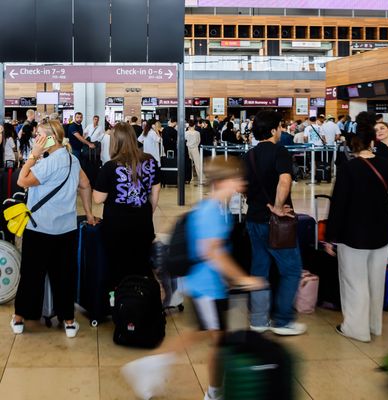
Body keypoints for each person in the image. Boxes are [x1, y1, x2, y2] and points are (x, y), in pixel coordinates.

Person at [121, 156, 266, 400]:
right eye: (236, 179)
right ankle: (212, 392)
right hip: (206, 289)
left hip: (209, 287)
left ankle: (154, 368)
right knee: (217, 341)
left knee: (203, 334)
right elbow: (213, 254)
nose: (241, 184)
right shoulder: (212, 212)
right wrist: (243, 279)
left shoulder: (216, 209)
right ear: (221, 182)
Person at [10, 120, 96, 338]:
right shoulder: (72, 159)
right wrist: (88, 212)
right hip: (66, 230)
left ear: (50, 137)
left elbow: (22, 180)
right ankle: (68, 321)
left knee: (31, 274)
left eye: (39, 135)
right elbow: (85, 185)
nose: (35, 138)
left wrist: (32, 156)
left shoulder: (47, 163)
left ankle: (20, 318)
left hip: (39, 228)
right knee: (64, 275)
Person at [325, 120, 388, 343]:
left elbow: (338, 205)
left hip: (354, 233)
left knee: (354, 281)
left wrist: (331, 237)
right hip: (382, 232)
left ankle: (356, 329)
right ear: (372, 141)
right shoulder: (387, 164)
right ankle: (374, 325)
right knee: (376, 280)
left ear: (353, 144)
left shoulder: (349, 168)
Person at [244, 110, 306, 336]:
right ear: (272, 130)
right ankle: (282, 320)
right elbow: (285, 179)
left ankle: (259, 320)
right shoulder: (280, 151)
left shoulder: (249, 155)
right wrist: (278, 207)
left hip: (253, 219)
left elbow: (243, 187)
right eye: (280, 127)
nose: (281, 131)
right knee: (291, 269)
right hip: (276, 223)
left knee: (259, 268)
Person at [93, 122, 161, 287]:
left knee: (118, 268)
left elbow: (98, 199)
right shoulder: (149, 161)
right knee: (142, 265)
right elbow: (155, 191)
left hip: (116, 226)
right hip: (143, 222)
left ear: (115, 142)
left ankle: (121, 304)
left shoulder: (110, 167)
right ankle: (142, 301)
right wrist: (147, 212)